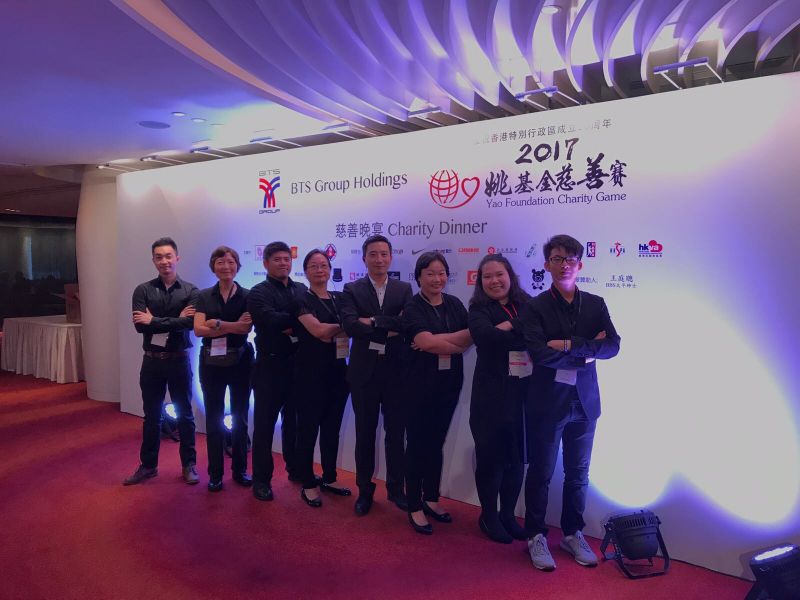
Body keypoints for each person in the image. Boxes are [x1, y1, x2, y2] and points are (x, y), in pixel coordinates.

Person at [518, 234, 620, 571]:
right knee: (542, 472)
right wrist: (588, 350)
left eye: (570, 259)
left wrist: (566, 344)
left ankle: (573, 533)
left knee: (578, 474)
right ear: (547, 264)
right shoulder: (534, 307)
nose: (564, 265)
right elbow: (538, 353)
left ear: (580, 264)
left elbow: (613, 346)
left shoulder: (595, 304)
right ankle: (535, 535)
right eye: (557, 259)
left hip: (585, 404)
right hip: (548, 402)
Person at [340, 234, 412, 516]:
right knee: (365, 434)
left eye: (384, 254)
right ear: (364, 258)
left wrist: (371, 321)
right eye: (373, 254)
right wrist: (387, 326)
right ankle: (364, 491)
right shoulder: (351, 289)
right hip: (363, 373)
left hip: (397, 372)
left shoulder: (404, 288)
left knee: (396, 434)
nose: (379, 259)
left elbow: (407, 325)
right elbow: (350, 325)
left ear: (391, 257)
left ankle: (396, 489)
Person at [402, 252, 472, 534]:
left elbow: (469, 338)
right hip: (418, 386)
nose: (436, 279)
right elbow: (425, 342)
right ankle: (414, 505)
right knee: (417, 445)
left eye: (441, 273)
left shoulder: (454, 304)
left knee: (436, 443)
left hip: (449, 384)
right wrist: (440, 342)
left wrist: (436, 341)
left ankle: (431, 498)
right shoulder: (412, 307)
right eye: (430, 273)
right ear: (419, 277)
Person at [125, 237, 199, 486]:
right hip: (152, 362)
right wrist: (176, 319)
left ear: (177, 258)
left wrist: (154, 320)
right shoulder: (142, 290)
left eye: (168, 256)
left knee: (185, 415)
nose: (164, 261)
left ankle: (189, 465)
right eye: (159, 257)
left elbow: (191, 323)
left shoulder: (191, 291)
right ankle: (148, 466)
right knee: (151, 416)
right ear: (153, 260)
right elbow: (139, 326)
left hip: (179, 361)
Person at [467, 254, 531, 543]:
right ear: (480, 281)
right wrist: (519, 328)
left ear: (510, 275)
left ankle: (508, 515)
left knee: (517, 460)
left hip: (523, 394)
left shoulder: (527, 303)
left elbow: (537, 336)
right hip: (490, 396)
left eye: (499, 274)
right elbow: (485, 338)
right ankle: (488, 516)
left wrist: (507, 327)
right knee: (491, 459)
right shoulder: (478, 309)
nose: (494, 281)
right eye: (487, 276)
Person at [247, 241, 307, 501]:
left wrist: (292, 322)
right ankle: (261, 480)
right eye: (277, 259)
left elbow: (308, 317)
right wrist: (299, 320)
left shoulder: (301, 288)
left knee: (294, 422)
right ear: (265, 263)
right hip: (269, 367)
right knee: (264, 426)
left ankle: (295, 469)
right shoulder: (257, 292)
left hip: (298, 365)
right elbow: (269, 320)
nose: (283, 263)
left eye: (286, 259)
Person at [193, 246, 254, 492]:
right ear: (213, 267)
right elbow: (198, 330)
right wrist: (232, 325)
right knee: (214, 418)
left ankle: (240, 470)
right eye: (220, 262)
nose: (226, 266)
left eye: (230, 262)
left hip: (241, 362)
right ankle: (215, 474)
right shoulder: (203, 296)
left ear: (237, 266)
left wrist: (216, 323)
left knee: (240, 417)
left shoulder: (248, 295)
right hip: (211, 363)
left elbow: (245, 328)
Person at [293, 249, 351, 507]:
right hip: (309, 375)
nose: (320, 270)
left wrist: (335, 329)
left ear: (329, 269)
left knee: (331, 430)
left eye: (324, 265)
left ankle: (329, 477)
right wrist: (344, 326)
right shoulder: (300, 300)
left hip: (339, 373)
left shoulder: (340, 298)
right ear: (305, 272)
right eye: (314, 266)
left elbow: (341, 330)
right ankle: (307, 482)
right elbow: (318, 331)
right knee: (307, 430)